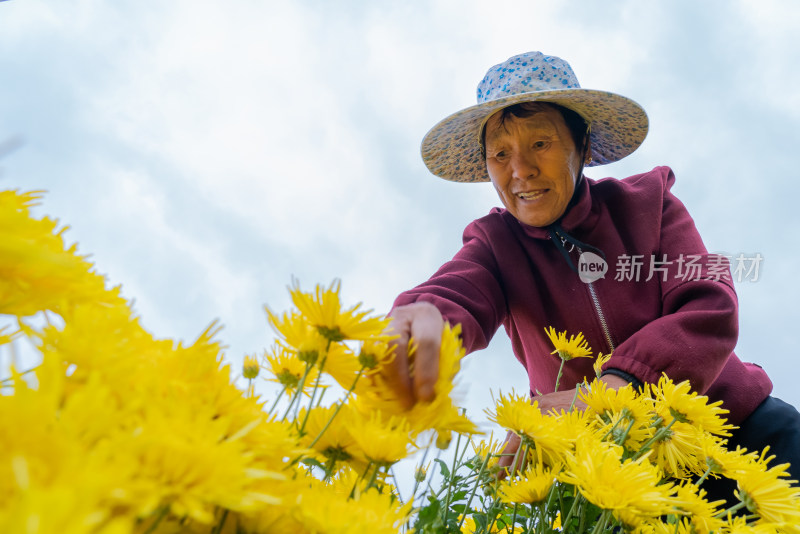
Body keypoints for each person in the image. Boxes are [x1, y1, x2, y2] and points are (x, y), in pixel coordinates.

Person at [383, 51, 800, 497]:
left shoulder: (650, 201)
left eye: (540, 144)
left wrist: (613, 389)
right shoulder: (493, 244)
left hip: (742, 434)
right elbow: (459, 290)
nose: (520, 171)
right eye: (501, 154)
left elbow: (709, 303)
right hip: (614, 488)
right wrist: (424, 314)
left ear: (581, 145)